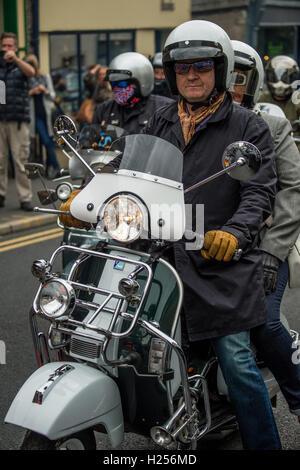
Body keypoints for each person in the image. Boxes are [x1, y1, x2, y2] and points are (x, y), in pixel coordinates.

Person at [141, 20, 281, 450]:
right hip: (164, 259)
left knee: (236, 360)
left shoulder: (247, 126)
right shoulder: (158, 120)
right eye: (182, 68)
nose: (192, 75)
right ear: (170, 73)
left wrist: (235, 234)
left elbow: (259, 191)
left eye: (202, 66)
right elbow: (135, 178)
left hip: (220, 264)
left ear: (219, 71)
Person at [230, 40, 300, 420]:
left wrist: (273, 252)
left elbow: (294, 187)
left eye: (239, 78)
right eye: (226, 76)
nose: (231, 86)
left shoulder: (272, 125)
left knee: (266, 323)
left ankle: (299, 397)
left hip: (265, 244)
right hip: (207, 246)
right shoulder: (190, 123)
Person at [92, 52, 174, 134]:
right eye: (113, 84)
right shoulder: (105, 109)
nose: (117, 88)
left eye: (122, 84)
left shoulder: (163, 109)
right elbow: (91, 140)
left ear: (142, 81)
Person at [0, 32, 35, 210]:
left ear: (15, 48)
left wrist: (16, 60)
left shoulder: (21, 66)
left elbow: (31, 72)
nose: (6, 49)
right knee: (0, 160)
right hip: (1, 120)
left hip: (19, 121)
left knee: (20, 161)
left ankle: (25, 197)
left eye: (9, 46)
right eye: (4, 46)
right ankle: (0, 194)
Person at [26, 54, 60, 179]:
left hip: (45, 116)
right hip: (32, 116)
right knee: (38, 142)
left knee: (47, 141)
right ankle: (51, 167)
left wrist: (44, 90)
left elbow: (52, 96)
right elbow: (21, 97)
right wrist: (32, 92)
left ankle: (54, 167)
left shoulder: (45, 77)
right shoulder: (25, 79)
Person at [258, 55, 300, 149]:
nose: (280, 84)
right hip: (266, 146)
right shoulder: (261, 98)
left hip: (294, 148)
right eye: (274, 78)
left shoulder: (297, 100)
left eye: (286, 78)